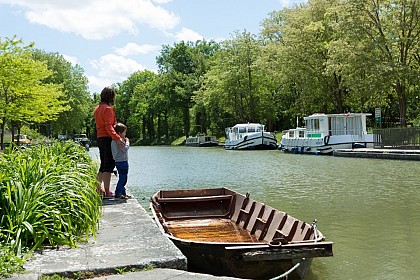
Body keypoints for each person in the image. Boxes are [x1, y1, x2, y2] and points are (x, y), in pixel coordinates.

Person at [94, 86, 125, 197]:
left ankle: (98, 188)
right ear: (111, 97)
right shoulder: (108, 109)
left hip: (100, 138)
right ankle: (107, 190)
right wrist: (117, 138)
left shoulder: (97, 108)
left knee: (103, 164)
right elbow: (109, 126)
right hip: (107, 139)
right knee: (109, 165)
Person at [111, 123, 131, 199]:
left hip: (118, 161)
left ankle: (123, 193)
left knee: (122, 177)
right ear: (119, 133)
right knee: (123, 178)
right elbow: (125, 149)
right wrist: (128, 142)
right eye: (124, 132)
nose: (125, 134)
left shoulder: (114, 140)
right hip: (122, 162)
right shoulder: (119, 141)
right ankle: (118, 192)